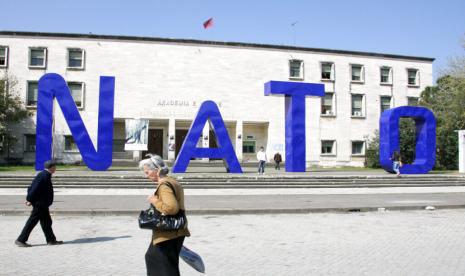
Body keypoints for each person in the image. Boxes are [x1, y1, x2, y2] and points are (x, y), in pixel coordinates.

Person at [139, 154, 190, 276]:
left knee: (162, 265)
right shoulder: (172, 181)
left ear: (156, 171)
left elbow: (171, 208)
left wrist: (154, 200)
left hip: (168, 233)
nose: (146, 176)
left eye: (147, 172)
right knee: (161, 262)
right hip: (174, 232)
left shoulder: (164, 185)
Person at [15, 160, 63, 247]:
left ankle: (51, 240)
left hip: (43, 204)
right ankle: (21, 240)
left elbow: (33, 187)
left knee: (46, 222)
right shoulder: (43, 175)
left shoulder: (45, 175)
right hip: (39, 204)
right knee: (32, 222)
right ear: (51, 167)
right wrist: (29, 199)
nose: (56, 168)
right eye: (55, 167)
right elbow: (34, 188)